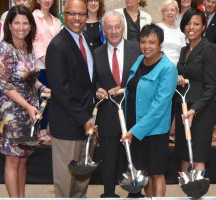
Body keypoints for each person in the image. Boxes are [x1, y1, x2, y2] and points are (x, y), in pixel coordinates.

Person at [111, 24, 177, 197]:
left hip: (154, 130)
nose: (147, 46)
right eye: (143, 42)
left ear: (160, 44)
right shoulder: (140, 60)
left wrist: (134, 131)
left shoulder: (168, 69)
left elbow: (159, 107)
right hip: (134, 125)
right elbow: (134, 87)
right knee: (143, 173)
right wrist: (120, 90)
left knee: (156, 173)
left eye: (152, 42)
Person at [0, 5, 49, 197]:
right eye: (17, 23)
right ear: (9, 25)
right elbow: (4, 85)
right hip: (12, 111)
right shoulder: (4, 49)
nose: (21, 27)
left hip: (30, 110)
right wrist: (27, 106)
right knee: (13, 160)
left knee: (24, 157)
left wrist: (43, 89)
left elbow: (31, 78)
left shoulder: (28, 46)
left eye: (25, 23)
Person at [45, 0, 95, 197]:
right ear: (63, 16)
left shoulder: (88, 39)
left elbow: (89, 78)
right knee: (66, 182)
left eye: (81, 14)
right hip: (68, 123)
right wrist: (84, 119)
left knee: (82, 179)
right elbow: (61, 91)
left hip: (88, 121)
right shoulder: (57, 45)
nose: (77, 18)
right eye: (72, 14)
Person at [93, 11, 141, 198]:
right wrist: (97, 90)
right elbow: (93, 82)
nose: (113, 31)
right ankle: (109, 194)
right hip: (107, 115)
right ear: (104, 30)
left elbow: (143, 79)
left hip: (133, 114)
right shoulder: (96, 53)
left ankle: (135, 194)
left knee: (133, 159)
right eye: (109, 27)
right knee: (109, 160)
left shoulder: (137, 49)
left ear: (123, 28)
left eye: (117, 27)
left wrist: (126, 88)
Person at [174, 7, 216, 181]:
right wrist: (178, 77)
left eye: (196, 24)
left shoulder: (210, 49)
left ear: (203, 26)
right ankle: (187, 190)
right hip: (183, 107)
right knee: (184, 152)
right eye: (188, 23)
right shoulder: (184, 50)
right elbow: (187, 75)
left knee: (198, 154)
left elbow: (212, 86)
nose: (191, 27)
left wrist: (195, 109)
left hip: (201, 111)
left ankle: (197, 191)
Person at [33, 0, 62, 141]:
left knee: (51, 98)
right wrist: (48, 61)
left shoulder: (57, 20)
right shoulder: (33, 17)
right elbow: (35, 42)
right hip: (40, 64)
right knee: (41, 97)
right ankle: (39, 128)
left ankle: (47, 127)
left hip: (54, 65)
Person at [157, 0, 186, 66]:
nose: (169, 12)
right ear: (163, 13)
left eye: (172, 10)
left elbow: (183, 53)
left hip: (177, 69)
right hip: (160, 67)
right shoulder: (157, 28)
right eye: (166, 10)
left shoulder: (181, 32)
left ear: (177, 12)